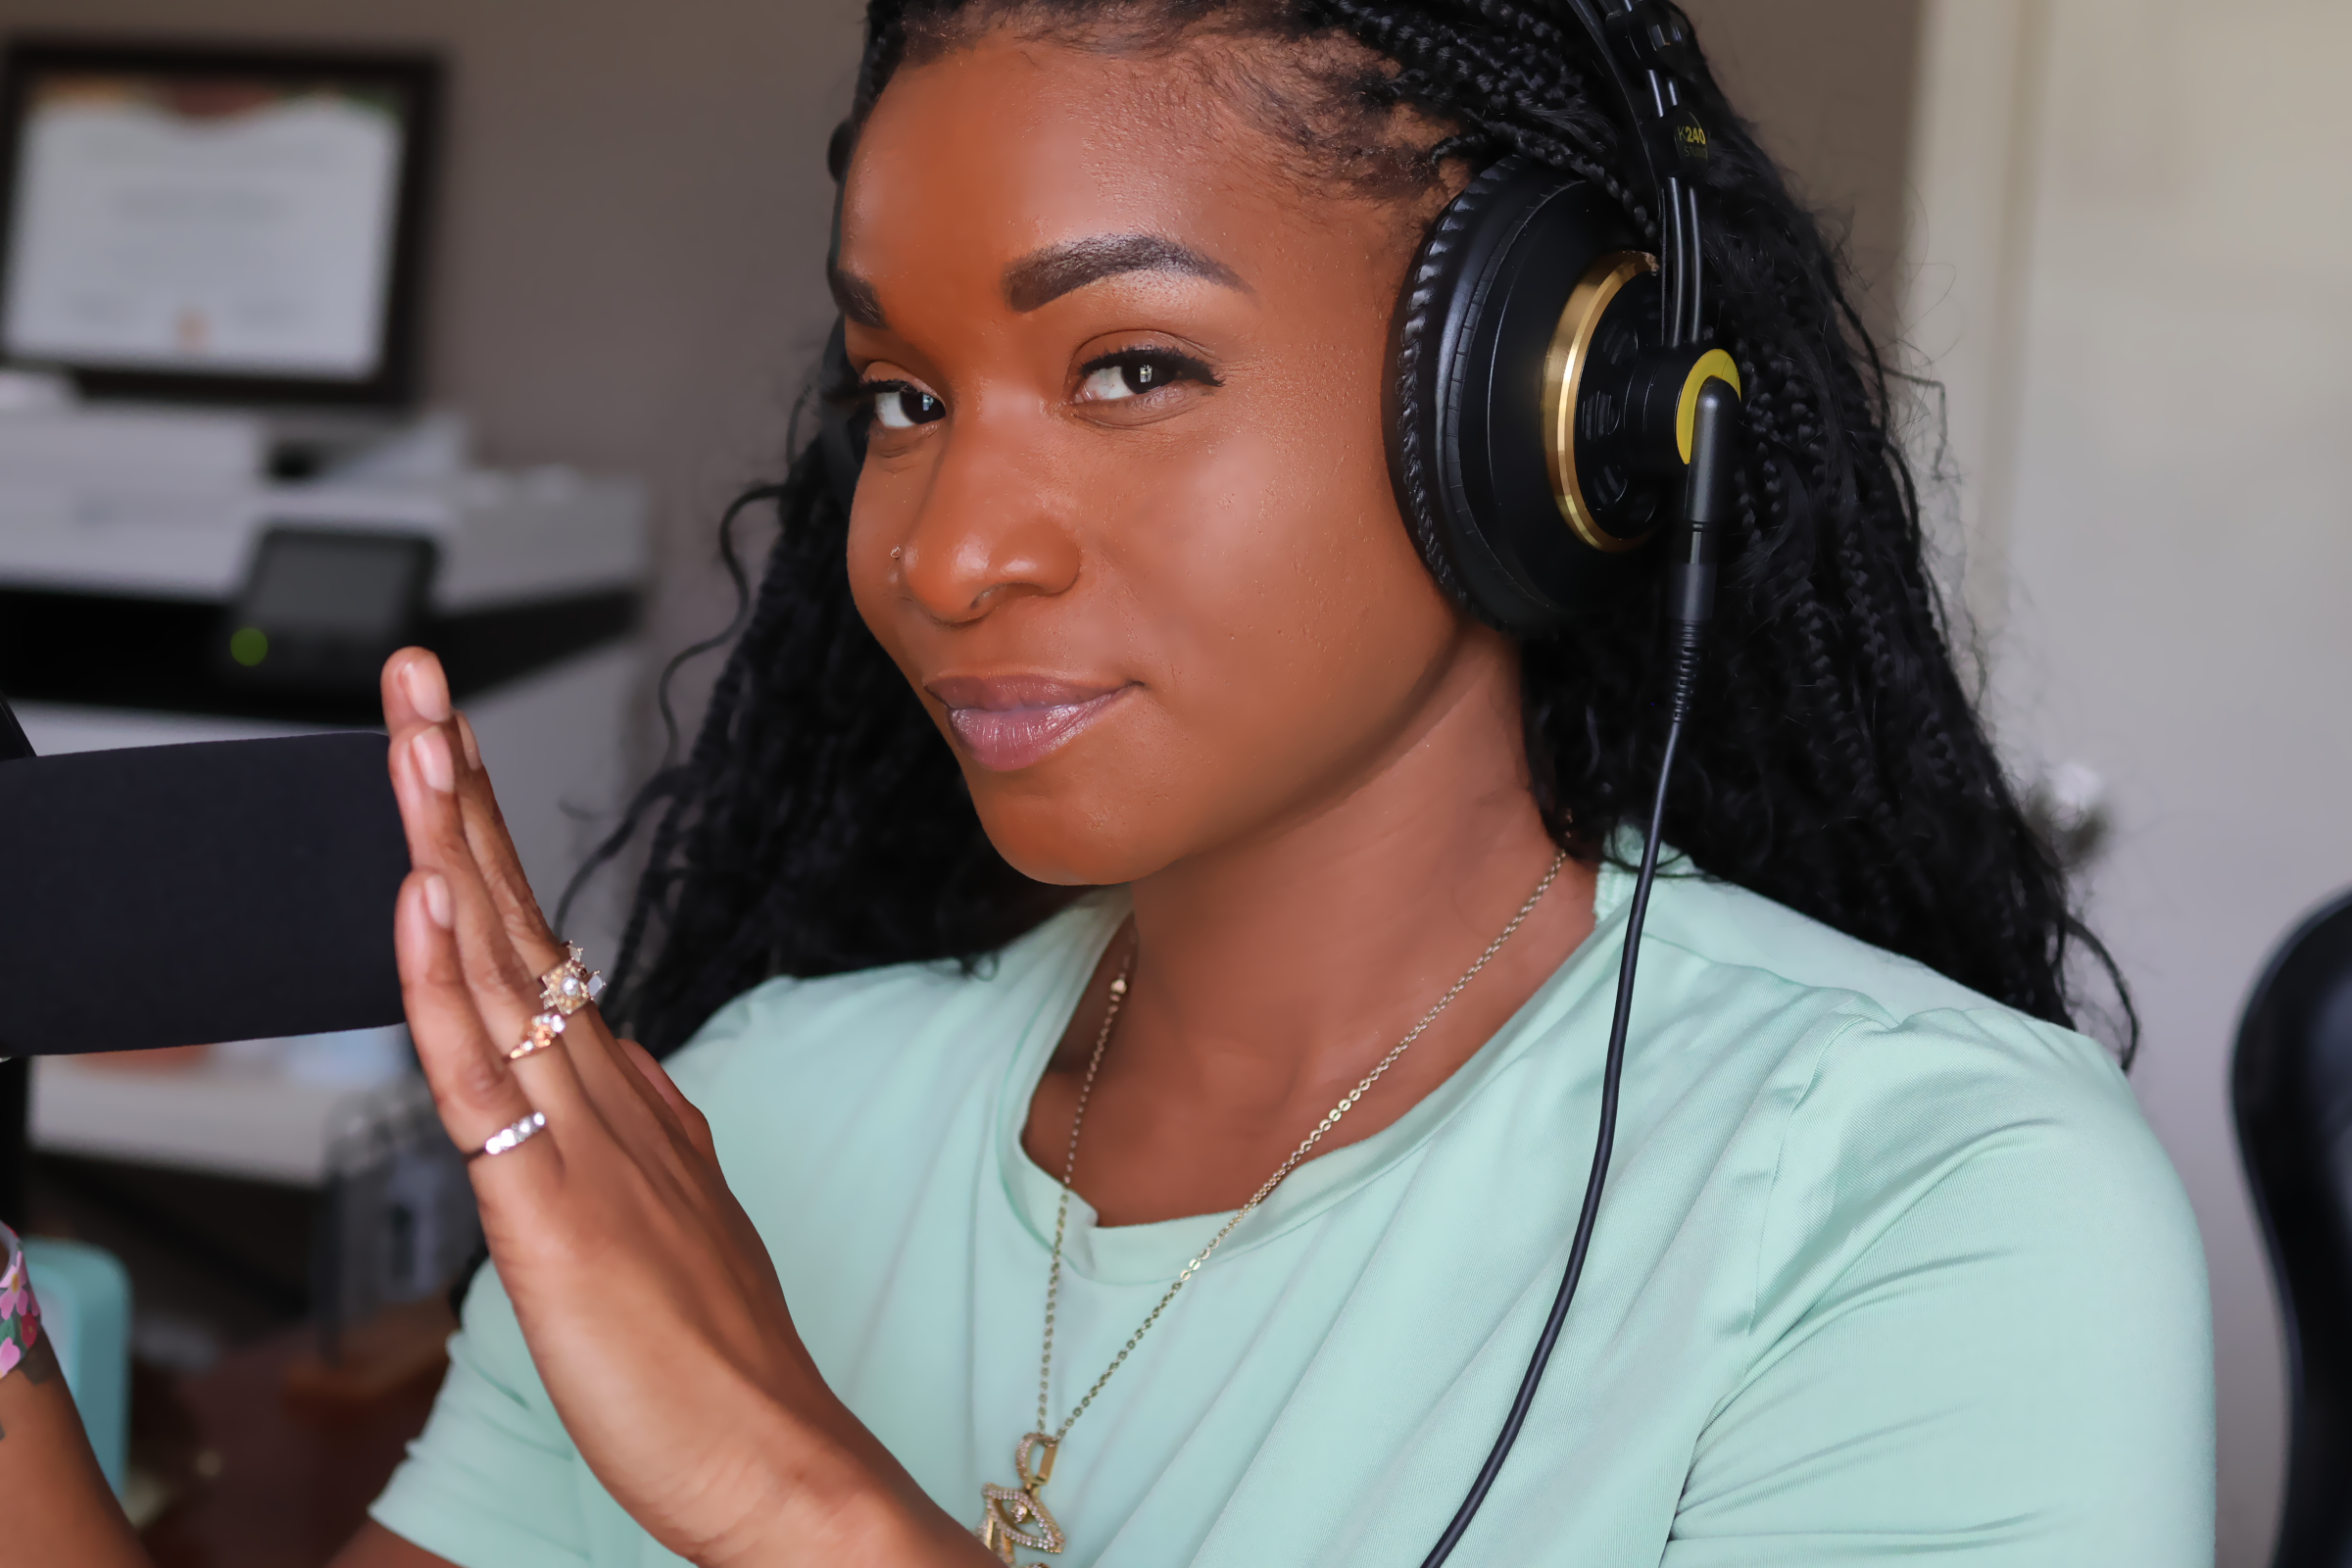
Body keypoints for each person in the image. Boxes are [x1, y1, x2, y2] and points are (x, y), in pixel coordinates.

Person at [0, 1, 2212, 1563]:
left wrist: (787, 1489)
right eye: (901, 396)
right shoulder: (748, 1108)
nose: (949, 552)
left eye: (1132, 366)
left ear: (1533, 410)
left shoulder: (1931, 1204)